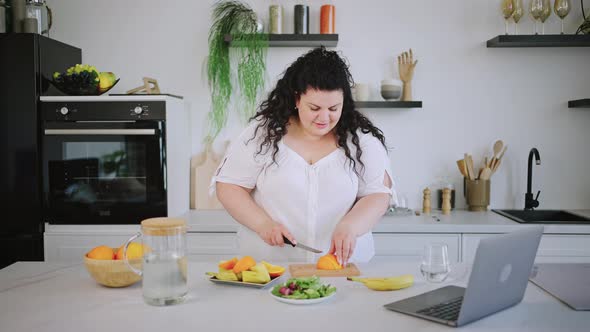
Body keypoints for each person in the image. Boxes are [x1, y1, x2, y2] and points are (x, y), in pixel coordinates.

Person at [211, 47, 396, 266]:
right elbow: (229, 186)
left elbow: (377, 195)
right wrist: (263, 225)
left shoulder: (361, 142)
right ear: (297, 99)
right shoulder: (262, 134)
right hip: (270, 269)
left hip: (344, 269)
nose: (324, 118)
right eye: (314, 107)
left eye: (334, 108)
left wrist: (351, 226)